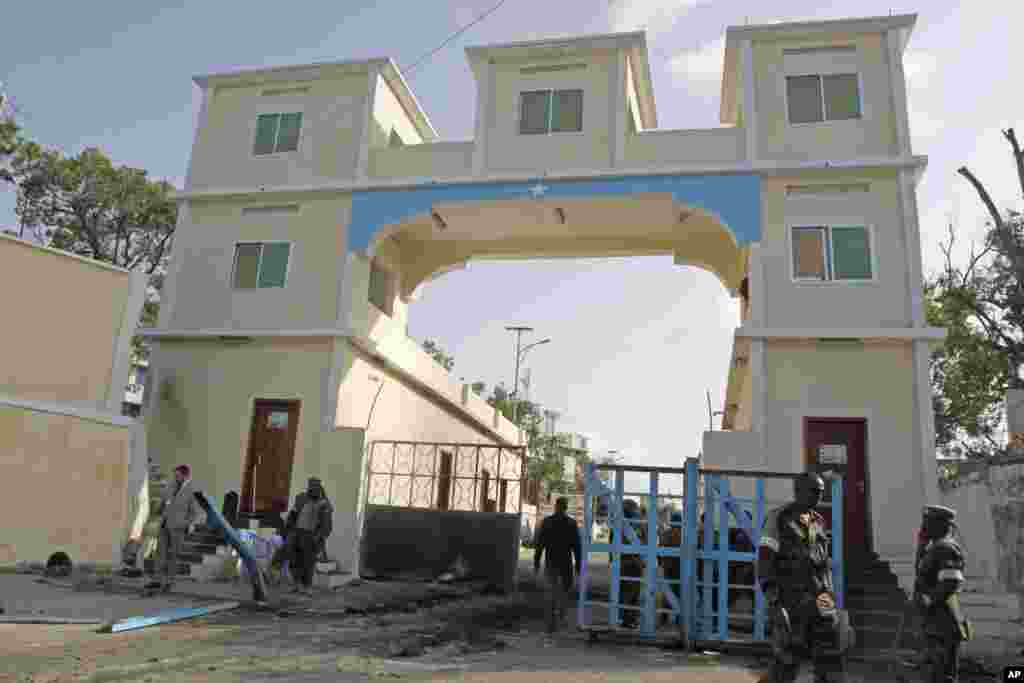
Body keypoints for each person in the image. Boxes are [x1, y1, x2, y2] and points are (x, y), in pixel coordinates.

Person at [757, 473, 853, 682]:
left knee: (831, 655)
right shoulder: (779, 518)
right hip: (791, 600)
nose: (819, 496)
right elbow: (765, 561)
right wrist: (774, 602)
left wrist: (831, 602)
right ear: (798, 491)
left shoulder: (818, 522)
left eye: (821, 492)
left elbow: (822, 564)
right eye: (814, 491)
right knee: (787, 660)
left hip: (822, 597)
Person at [915, 505, 972, 682]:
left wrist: (929, 600)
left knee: (943, 676)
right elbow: (920, 572)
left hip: (944, 623)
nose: (923, 528)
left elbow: (951, 582)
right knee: (935, 674)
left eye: (927, 523)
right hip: (935, 623)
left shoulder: (946, 548)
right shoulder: (935, 548)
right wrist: (921, 545)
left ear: (940, 525)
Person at [148, 464, 200, 592]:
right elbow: (164, 502)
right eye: (175, 475)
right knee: (160, 553)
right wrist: (159, 507)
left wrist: (185, 524)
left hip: (178, 528)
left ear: (185, 475)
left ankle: (169, 582)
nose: (175, 478)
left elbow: (194, 513)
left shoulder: (192, 490)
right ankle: (156, 580)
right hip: (164, 525)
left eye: (178, 476)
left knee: (173, 556)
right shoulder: (170, 486)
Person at [534, 496, 582, 634]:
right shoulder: (572, 523)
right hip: (565, 562)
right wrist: (578, 565)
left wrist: (536, 561)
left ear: (556, 506)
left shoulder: (547, 522)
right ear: (566, 507)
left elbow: (540, 544)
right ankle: (561, 616)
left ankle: (551, 620)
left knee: (552, 590)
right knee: (565, 590)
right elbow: (577, 547)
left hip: (551, 561)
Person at [279, 478, 333, 595]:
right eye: (310, 486)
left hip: (311, 536)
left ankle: (307, 587)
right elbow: (292, 515)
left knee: (308, 563)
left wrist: (318, 537)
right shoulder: (301, 498)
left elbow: (326, 525)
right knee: (294, 559)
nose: (312, 489)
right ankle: (296, 584)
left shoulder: (324, 504)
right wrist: (287, 530)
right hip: (296, 532)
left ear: (319, 488)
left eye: (315, 487)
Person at [618, 499, 646, 628]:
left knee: (625, 592)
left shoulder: (620, 525)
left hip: (624, 562)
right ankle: (631, 619)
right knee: (633, 592)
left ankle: (625, 618)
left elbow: (613, 544)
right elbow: (646, 541)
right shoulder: (640, 524)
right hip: (635, 563)